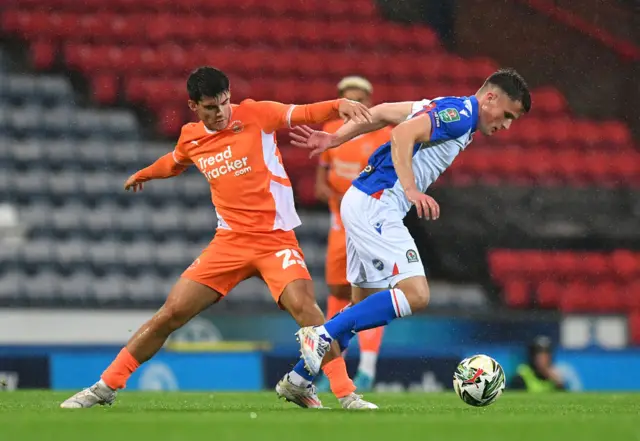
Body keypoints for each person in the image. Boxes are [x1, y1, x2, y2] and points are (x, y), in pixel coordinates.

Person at [60, 66, 378, 410]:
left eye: (225, 102)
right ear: (194, 105)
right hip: (229, 243)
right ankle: (104, 386)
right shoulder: (191, 136)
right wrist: (145, 174)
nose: (222, 112)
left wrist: (339, 105)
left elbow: (301, 112)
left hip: (275, 240)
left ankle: (346, 394)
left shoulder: (256, 113)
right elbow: (174, 161)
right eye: (212, 107)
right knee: (170, 314)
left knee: (308, 310)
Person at [290, 68, 532, 377]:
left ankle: (299, 378)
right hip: (377, 204)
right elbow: (400, 133)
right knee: (416, 294)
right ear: (490, 98)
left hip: (362, 200)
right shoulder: (458, 115)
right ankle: (320, 335)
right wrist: (410, 189)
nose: (506, 126)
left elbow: (380, 113)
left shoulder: (449, 106)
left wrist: (336, 136)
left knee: (362, 305)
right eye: (507, 115)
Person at [315, 76, 391, 392]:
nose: (353, 106)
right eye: (348, 100)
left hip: (370, 228)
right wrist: (336, 198)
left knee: (371, 294)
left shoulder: (383, 135)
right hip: (338, 228)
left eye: (360, 99)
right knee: (337, 294)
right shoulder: (330, 133)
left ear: (370, 102)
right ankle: (336, 371)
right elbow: (320, 184)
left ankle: (368, 370)